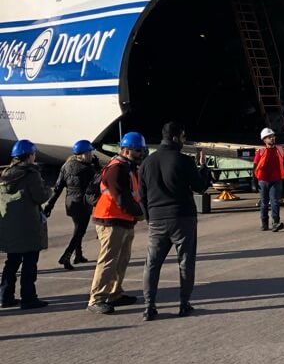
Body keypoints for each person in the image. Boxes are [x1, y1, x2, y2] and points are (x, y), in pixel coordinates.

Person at [139, 122, 211, 321]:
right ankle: (184, 303)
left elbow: (142, 196)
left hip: (157, 219)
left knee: (152, 264)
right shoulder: (183, 160)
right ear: (175, 138)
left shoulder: (147, 162)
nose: (184, 140)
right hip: (183, 217)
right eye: (183, 136)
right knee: (186, 262)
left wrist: (149, 217)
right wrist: (204, 168)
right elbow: (200, 187)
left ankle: (149, 306)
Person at [88, 132, 146, 315]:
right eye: (138, 150)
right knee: (108, 261)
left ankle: (114, 293)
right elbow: (122, 198)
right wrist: (142, 213)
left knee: (121, 260)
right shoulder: (117, 169)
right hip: (111, 220)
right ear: (126, 150)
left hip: (124, 220)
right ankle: (96, 299)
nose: (141, 154)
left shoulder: (128, 167)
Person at [0, 140, 50, 310]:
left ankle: (5, 296)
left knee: (12, 262)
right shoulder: (30, 174)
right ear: (29, 156)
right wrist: (47, 189)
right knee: (29, 263)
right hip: (28, 225)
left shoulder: (5, 173)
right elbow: (41, 196)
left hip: (9, 227)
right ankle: (29, 298)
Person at [43, 140, 100, 270]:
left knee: (77, 228)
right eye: (89, 152)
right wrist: (97, 168)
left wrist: (49, 205)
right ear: (83, 154)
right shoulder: (87, 169)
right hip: (83, 203)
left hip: (70, 203)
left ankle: (78, 255)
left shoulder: (66, 166)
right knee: (80, 231)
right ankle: (67, 255)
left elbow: (57, 188)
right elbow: (99, 181)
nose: (91, 155)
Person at [253, 127, 284, 232]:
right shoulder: (261, 151)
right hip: (263, 181)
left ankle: (275, 223)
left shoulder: (280, 150)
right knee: (264, 203)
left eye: (273, 136)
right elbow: (254, 167)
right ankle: (264, 223)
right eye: (269, 137)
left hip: (276, 180)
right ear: (264, 140)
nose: (272, 138)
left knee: (275, 201)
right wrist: (254, 182)